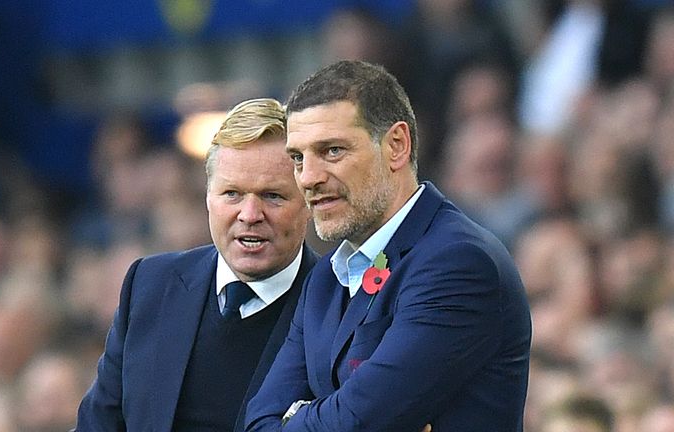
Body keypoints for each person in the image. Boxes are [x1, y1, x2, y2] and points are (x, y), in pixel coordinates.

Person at [245, 60, 531, 431]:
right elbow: (255, 423)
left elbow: (357, 424)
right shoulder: (325, 279)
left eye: (332, 151)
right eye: (298, 158)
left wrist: (297, 414)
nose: (309, 178)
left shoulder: (458, 263)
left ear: (396, 145)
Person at [74, 98, 317, 432]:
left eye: (272, 196)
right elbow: (98, 425)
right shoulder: (150, 285)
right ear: (207, 197)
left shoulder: (338, 304)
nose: (249, 214)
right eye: (231, 194)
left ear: (309, 202)